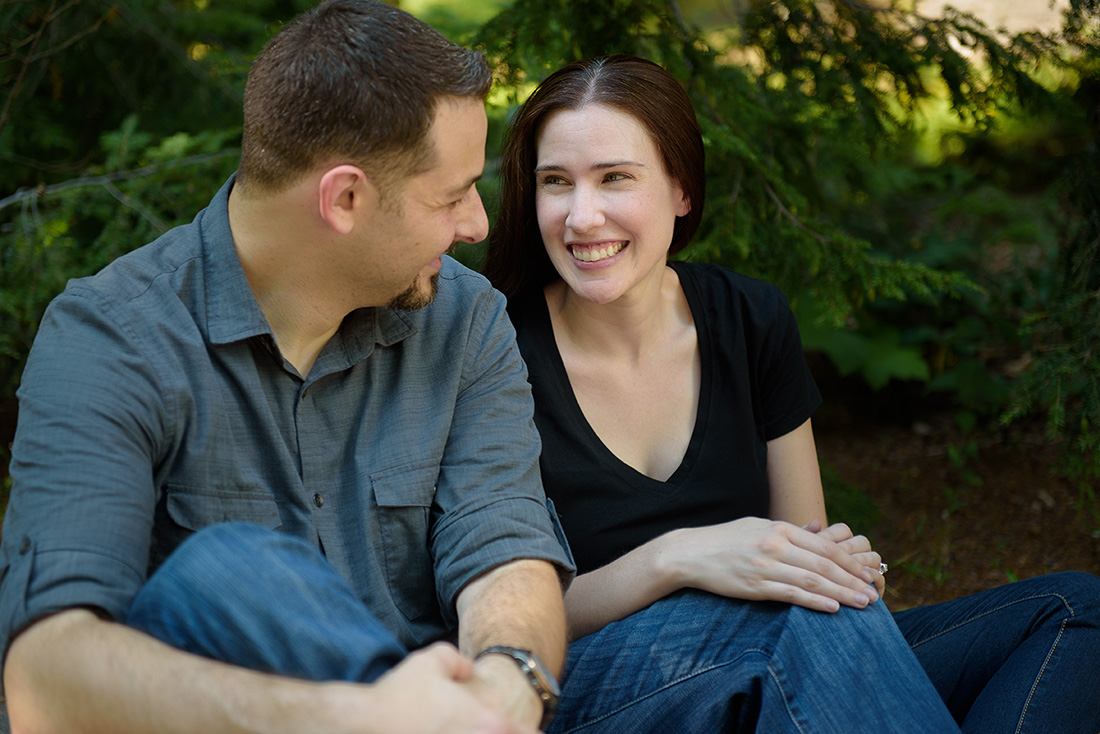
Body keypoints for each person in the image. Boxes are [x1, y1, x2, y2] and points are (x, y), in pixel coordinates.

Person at [0, 2, 576, 732]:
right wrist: (362, 717)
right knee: (230, 568)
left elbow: (504, 547)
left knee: (741, 642)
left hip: (453, 711)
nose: (478, 224)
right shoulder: (113, 339)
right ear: (344, 198)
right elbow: (45, 669)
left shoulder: (464, 320)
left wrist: (506, 683)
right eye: (452, 195)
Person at [483, 54, 1100, 733]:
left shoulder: (751, 319)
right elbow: (497, 618)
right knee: (781, 635)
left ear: (682, 189)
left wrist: (836, 565)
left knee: (1073, 610)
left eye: (615, 178)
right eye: (556, 182)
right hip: (588, 686)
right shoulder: (496, 353)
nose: (583, 215)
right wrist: (679, 558)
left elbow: (803, 554)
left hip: (770, 660)